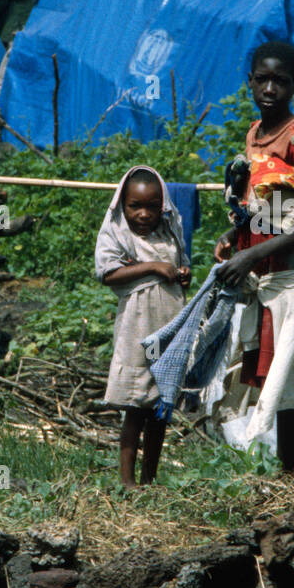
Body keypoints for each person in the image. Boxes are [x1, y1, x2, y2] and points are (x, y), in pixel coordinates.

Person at [215, 42, 294, 475]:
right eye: (262, 79)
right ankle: (289, 475)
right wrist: (237, 234)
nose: (270, 88)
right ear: (250, 80)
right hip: (270, 274)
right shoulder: (255, 135)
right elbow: (265, 203)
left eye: (280, 81)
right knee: (283, 380)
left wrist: (256, 255)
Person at [97, 166, 191, 488]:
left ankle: (150, 477)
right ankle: (127, 481)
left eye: (152, 206)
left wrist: (182, 273)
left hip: (168, 326)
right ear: (122, 205)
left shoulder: (169, 231)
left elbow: (179, 261)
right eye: (134, 206)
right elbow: (108, 274)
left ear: (163, 205)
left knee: (159, 409)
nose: (143, 214)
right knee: (135, 408)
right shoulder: (118, 234)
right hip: (138, 330)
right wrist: (152, 267)